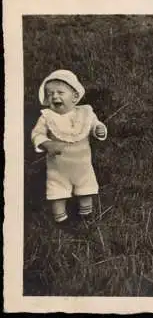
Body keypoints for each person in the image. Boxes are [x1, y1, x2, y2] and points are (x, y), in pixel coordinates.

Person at [31, 69, 107, 223]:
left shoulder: (85, 113)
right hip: (58, 169)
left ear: (74, 97)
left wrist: (99, 129)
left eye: (60, 92)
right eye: (50, 93)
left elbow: (94, 124)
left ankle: (87, 216)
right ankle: (60, 219)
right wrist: (47, 143)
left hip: (82, 166)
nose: (55, 96)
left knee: (85, 189)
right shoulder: (47, 117)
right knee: (57, 190)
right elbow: (37, 134)